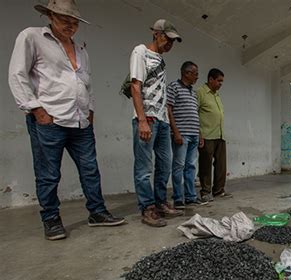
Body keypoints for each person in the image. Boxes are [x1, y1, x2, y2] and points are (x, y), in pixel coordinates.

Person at [8, 0, 125, 240]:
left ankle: (97, 212)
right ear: (50, 15)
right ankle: (51, 219)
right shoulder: (32, 37)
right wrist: (36, 109)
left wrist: (90, 110)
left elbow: (86, 83)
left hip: (81, 121)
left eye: (74, 23)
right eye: (65, 20)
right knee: (48, 174)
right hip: (50, 120)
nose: (70, 26)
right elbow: (17, 74)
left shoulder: (80, 49)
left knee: (90, 170)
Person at [129, 19, 183, 227]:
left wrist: (168, 121)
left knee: (165, 164)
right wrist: (142, 120)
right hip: (147, 119)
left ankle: (160, 202)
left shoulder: (161, 60)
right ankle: (147, 208)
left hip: (162, 120)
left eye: (172, 41)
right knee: (144, 167)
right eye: (167, 39)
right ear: (156, 34)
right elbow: (136, 86)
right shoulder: (140, 52)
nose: (169, 44)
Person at [167, 61, 208, 209]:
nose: (197, 77)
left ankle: (190, 197)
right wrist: (176, 132)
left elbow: (195, 114)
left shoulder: (193, 92)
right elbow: (169, 110)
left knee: (191, 166)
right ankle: (178, 198)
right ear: (187, 73)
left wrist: (200, 134)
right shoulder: (173, 87)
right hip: (182, 134)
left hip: (193, 134)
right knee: (179, 166)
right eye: (195, 74)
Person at [197, 68, 232, 202]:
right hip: (206, 135)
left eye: (222, 81)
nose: (220, 84)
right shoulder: (200, 93)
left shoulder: (217, 95)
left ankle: (219, 190)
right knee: (205, 165)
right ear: (210, 79)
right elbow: (194, 113)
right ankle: (205, 192)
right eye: (219, 81)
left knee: (221, 165)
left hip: (220, 135)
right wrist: (199, 133)